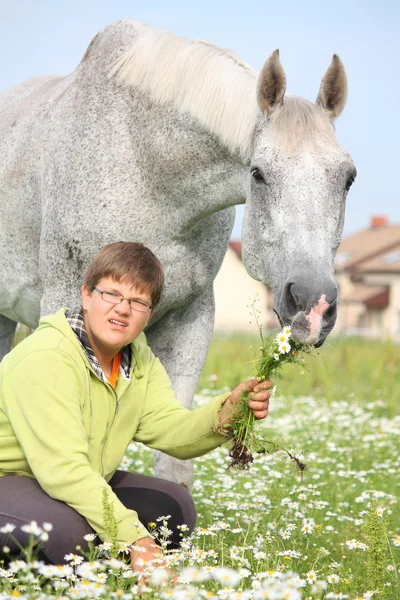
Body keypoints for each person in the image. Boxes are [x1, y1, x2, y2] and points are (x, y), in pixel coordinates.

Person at [0, 242, 272, 570]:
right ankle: (63, 570)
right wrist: (137, 540)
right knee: (71, 536)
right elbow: (63, 471)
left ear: (149, 315)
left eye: (138, 301)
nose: (122, 309)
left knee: (173, 507)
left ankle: (106, 569)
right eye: (111, 294)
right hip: (12, 478)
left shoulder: (138, 359)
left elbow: (171, 430)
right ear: (87, 295)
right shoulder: (46, 357)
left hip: (71, 479)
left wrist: (226, 413)